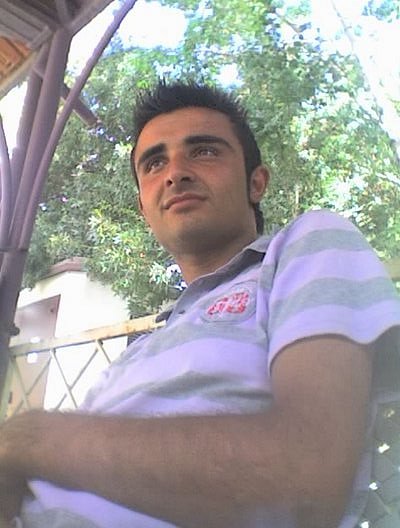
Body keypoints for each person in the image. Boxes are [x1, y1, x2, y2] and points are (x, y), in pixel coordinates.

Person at [0, 81, 399, 528]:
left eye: (204, 151)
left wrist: (29, 438)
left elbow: (305, 479)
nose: (175, 173)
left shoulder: (306, 246)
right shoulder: (142, 349)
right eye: (154, 163)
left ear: (256, 182)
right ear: (144, 207)